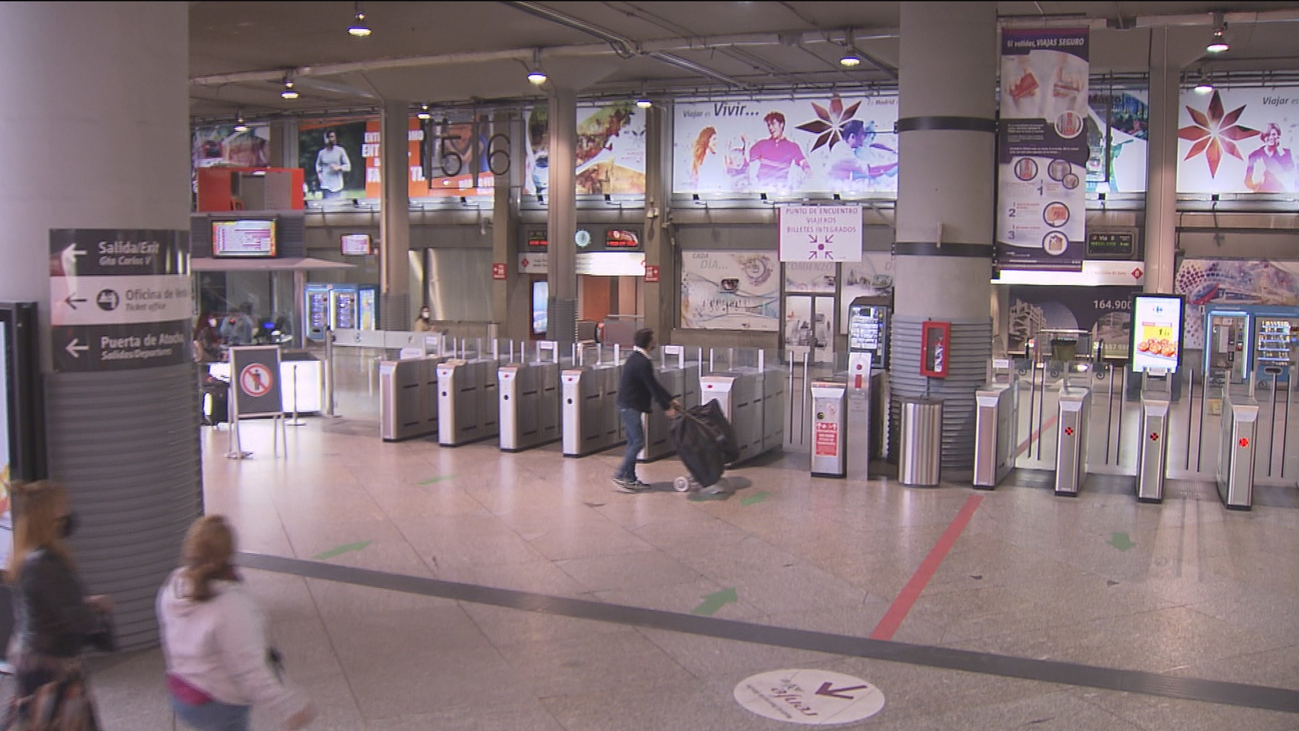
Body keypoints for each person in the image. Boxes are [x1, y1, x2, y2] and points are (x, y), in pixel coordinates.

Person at [158, 516, 314, 731]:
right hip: (217, 702)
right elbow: (249, 669)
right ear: (228, 555)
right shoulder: (230, 606)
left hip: (181, 694)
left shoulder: (172, 587)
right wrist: (290, 706)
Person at [4, 480, 114, 728]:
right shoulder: (46, 563)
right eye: (63, 507)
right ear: (49, 516)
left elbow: (45, 604)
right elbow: (81, 621)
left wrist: (79, 602)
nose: (68, 513)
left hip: (31, 655)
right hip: (53, 665)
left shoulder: (26, 555)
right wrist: (96, 612)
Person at [613, 329, 679, 492]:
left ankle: (630, 478)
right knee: (638, 441)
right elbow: (652, 388)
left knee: (632, 442)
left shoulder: (638, 359)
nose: (654, 342)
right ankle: (621, 474)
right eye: (653, 339)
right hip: (630, 406)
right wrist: (666, 407)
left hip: (628, 405)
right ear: (649, 342)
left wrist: (670, 399)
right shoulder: (641, 362)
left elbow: (654, 384)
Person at [748, 111, 810, 188]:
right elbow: (748, 158)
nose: (770, 128)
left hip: (781, 188)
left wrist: (807, 170)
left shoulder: (792, 146)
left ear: (781, 124)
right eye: (769, 125)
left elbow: (802, 161)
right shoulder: (762, 144)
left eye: (773, 124)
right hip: (762, 188)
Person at [1244, 122, 1296, 193]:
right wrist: (1258, 176)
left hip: (1281, 196)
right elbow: (1247, 182)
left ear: (1278, 136)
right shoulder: (1254, 156)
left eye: (1274, 134)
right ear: (1263, 137)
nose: (1271, 137)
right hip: (1260, 197)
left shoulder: (1285, 154)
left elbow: (1291, 177)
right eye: (1267, 135)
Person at [314, 129, 352, 200]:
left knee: (336, 205)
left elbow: (348, 166)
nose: (333, 139)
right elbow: (317, 165)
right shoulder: (321, 153)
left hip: (337, 184)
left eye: (334, 137)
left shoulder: (340, 151)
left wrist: (339, 168)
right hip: (325, 184)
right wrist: (319, 174)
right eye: (330, 137)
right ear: (326, 139)